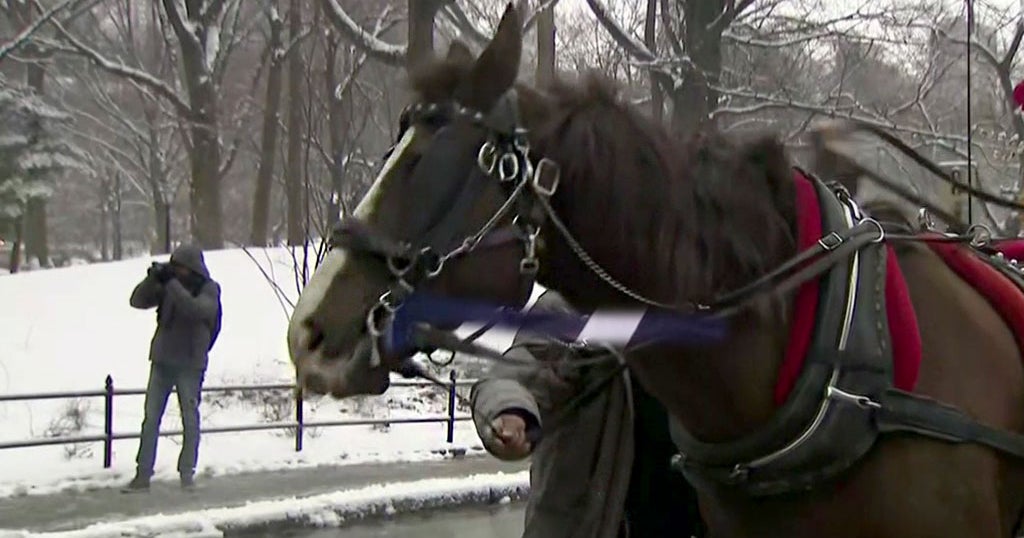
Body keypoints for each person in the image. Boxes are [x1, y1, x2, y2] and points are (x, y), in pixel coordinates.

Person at [470, 289, 706, 538]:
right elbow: (519, 372)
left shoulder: (711, 308)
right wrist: (511, 410)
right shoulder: (575, 303)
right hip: (593, 526)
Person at [122, 244, 222, 493]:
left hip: (190, 363)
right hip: (163, 360)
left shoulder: (209, 289)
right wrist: (152, 279)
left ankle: (187, 473)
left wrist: (172, 284)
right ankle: (142, 474)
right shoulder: (169, 285)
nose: (175, 271)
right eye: (173, 266)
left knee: (190, 419)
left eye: (179, 267)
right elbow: (137, 301)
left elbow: (196, 309)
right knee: (150, 418)